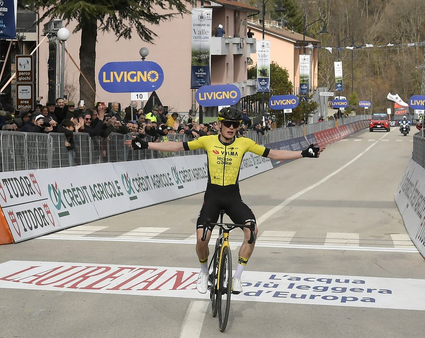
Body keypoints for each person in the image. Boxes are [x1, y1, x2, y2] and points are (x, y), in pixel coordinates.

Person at [127, 105, 323, 295]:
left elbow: (273, 153)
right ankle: (204, 272)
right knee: (201, 238)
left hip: (232, 197)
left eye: (235, 124)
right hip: (212, 197)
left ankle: (237, 276)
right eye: (227, 124)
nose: (231, 128)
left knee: (252, 231)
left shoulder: (244, 143)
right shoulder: (208, 141)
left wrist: (303, 153)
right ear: (220, 124)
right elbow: (178, 146)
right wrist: (146, 144)